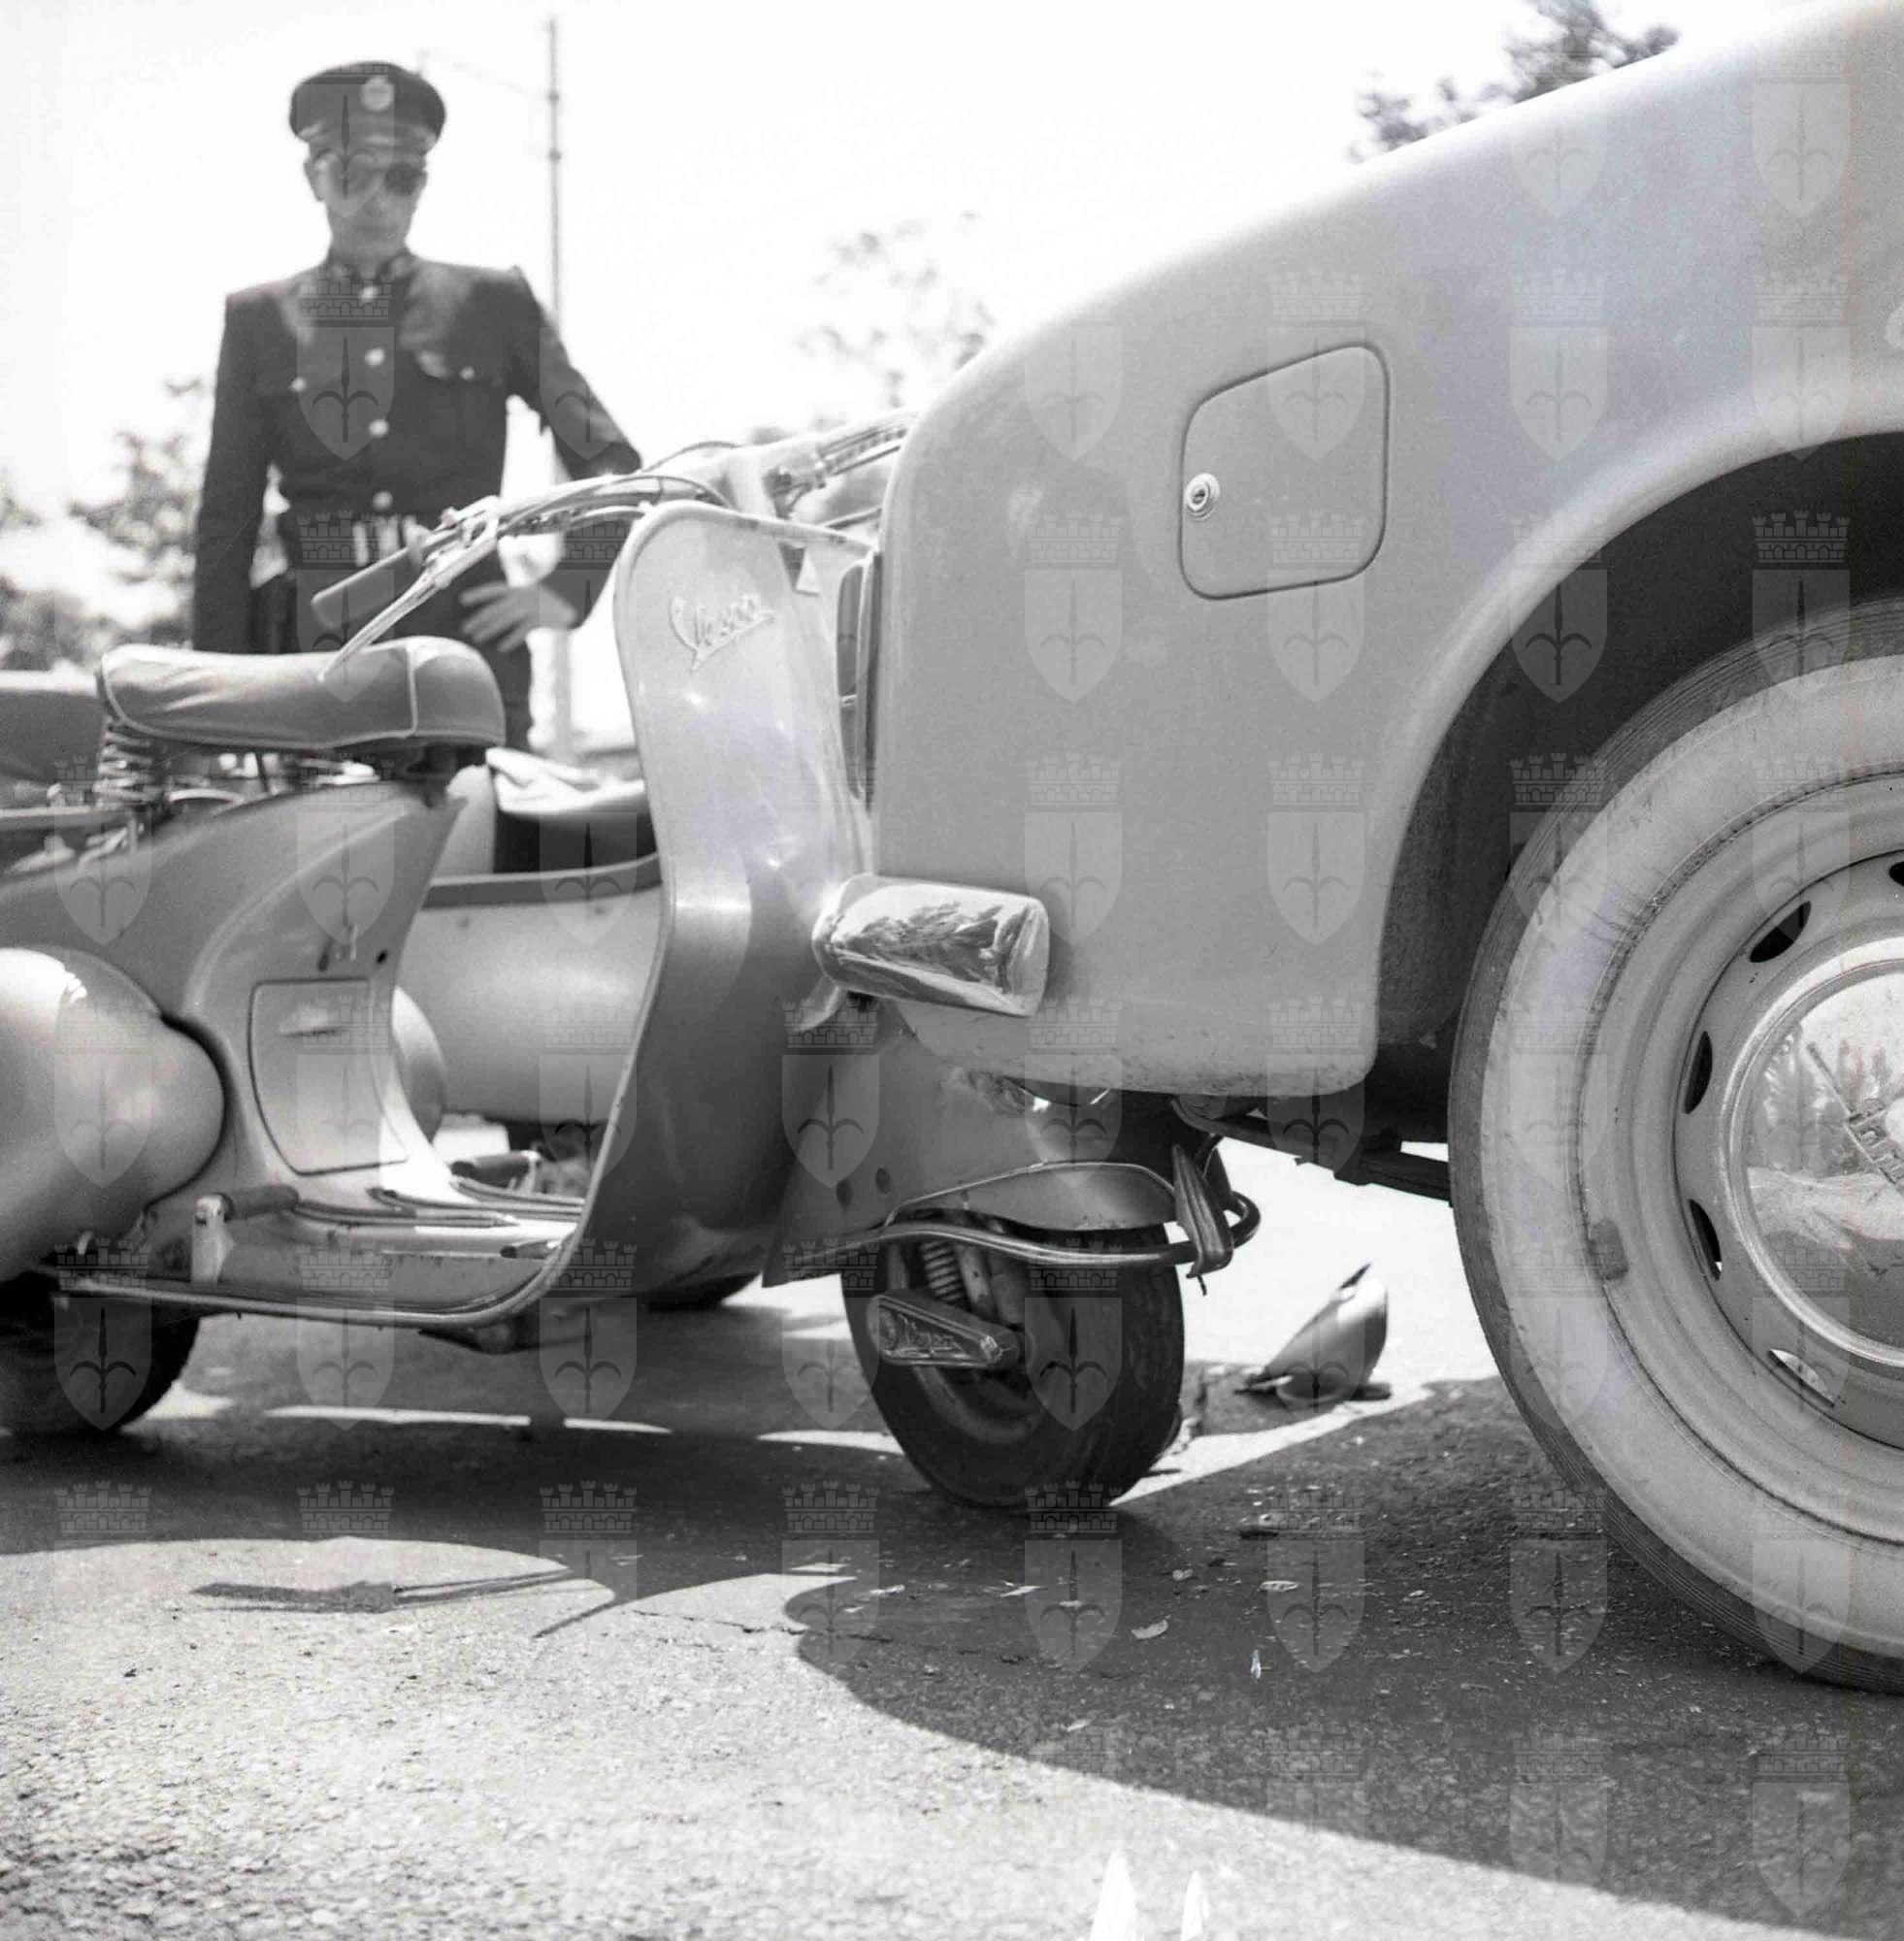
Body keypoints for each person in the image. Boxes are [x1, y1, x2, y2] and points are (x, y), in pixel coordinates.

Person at [191, 60, 640, 749]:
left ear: (423, 186)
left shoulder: (493, 304)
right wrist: (213, 705)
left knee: (482, 817)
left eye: (401, 177)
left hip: (463, 644)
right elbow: (227, 516)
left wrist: (566, 589)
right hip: (311, 650)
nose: (377, 199)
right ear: (314, 178)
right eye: (353, 174)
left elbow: (609, 461)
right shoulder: (259, 319)